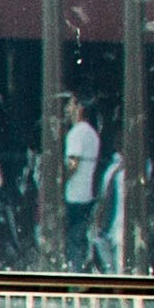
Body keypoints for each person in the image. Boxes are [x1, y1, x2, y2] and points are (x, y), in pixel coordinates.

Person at [59, 90, 104, 267]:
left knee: (72, 242)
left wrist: (59, 182)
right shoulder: (92, 133)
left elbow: (73, 164)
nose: (67, 109)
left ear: (80, 108)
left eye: (70, 104)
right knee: (79, 240)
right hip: (86, 194)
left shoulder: (77, 133)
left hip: (73, 195)